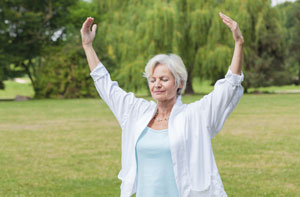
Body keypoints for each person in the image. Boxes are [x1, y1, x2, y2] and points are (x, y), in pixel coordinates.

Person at [81, 12, 244, 197]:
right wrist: (88, 46)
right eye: (152, 80)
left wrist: (239, 43)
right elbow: (105, 84)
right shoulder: (137, 112)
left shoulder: (195, 115)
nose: (157, 84)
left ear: (179, 83)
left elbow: (229, 86)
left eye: (164, 79)